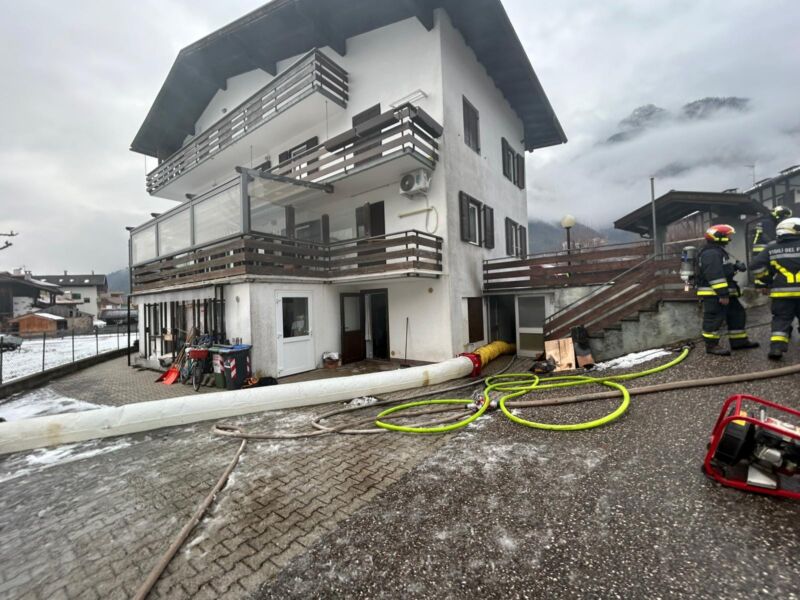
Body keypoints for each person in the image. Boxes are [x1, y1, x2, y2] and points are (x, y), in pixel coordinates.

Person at [696, 224, 759, 355]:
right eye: (728, 235)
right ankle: (711, 346)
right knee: (714, 318)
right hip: (715, 294)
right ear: (718, 237)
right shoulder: (711, 253)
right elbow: (714, 275)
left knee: (737, 314)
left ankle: (739, 342)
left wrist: (735, 267)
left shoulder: (717, 251)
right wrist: (723, 294)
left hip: (725, 292)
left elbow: (723, 270)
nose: (730, 238)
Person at [751, 217, 800, 360]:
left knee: (781, 320)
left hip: (781, 293)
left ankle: (777, 348)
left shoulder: (771, 247)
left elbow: (755, 266)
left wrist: (767, 280)